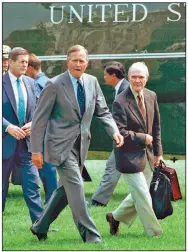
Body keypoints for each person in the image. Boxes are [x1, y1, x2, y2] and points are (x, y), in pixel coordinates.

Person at [29, 44, 124, 243]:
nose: (78, 64)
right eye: (75, 60)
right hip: (59, 146)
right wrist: (36, 150)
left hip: (81, 146)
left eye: (82, 61)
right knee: (77, 186)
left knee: (65, 191)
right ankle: (91, 236)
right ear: (67, 62)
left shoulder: (92, 82)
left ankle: (40, 227)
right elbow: (39, 120)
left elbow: (103, 112)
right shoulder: (54, 84)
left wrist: (114, 131)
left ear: (87, 63)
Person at [106, 62, 163, 237]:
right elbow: (120, 131)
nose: (137, 80)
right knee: (144, 196)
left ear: (147, 78)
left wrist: (158, 152)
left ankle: (114, 217)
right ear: (128, 78)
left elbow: (156, 127)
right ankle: (154, 233)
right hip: (127, 156)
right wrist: (142, 137)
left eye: (141, 77)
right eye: (134, 77)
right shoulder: (120, 101)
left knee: (140, 193)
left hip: (148, 154)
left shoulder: (151, 95)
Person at [2, 47, 44, 223]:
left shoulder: (31, 83)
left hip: (26, 145)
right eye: (21, 62)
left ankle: (40, 225)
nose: (25, 65)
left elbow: (39, 109)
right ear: (10, 62)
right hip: (5, 144)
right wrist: (7, 127)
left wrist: (33, 123)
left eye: (27, 62)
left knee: (32, 184)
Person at [89, 61, 129, 207]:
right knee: (113, 168)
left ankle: (98, 200)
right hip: (125, 138)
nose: (104, 78)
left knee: (112, 168)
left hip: (126, 139)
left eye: (106, 75)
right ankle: (99, 200)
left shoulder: (125, 90)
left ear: (113, 75)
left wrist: (120, 134)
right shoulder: (121, 88)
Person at [26, 53, 58, 204]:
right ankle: (53, 197)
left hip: (43, 131)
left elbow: (39, 110)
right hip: (51, 130)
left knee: (45, 167)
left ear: (31, 68)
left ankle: (52, 198)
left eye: (26, 68)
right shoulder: (48, 81)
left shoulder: (37, 84)